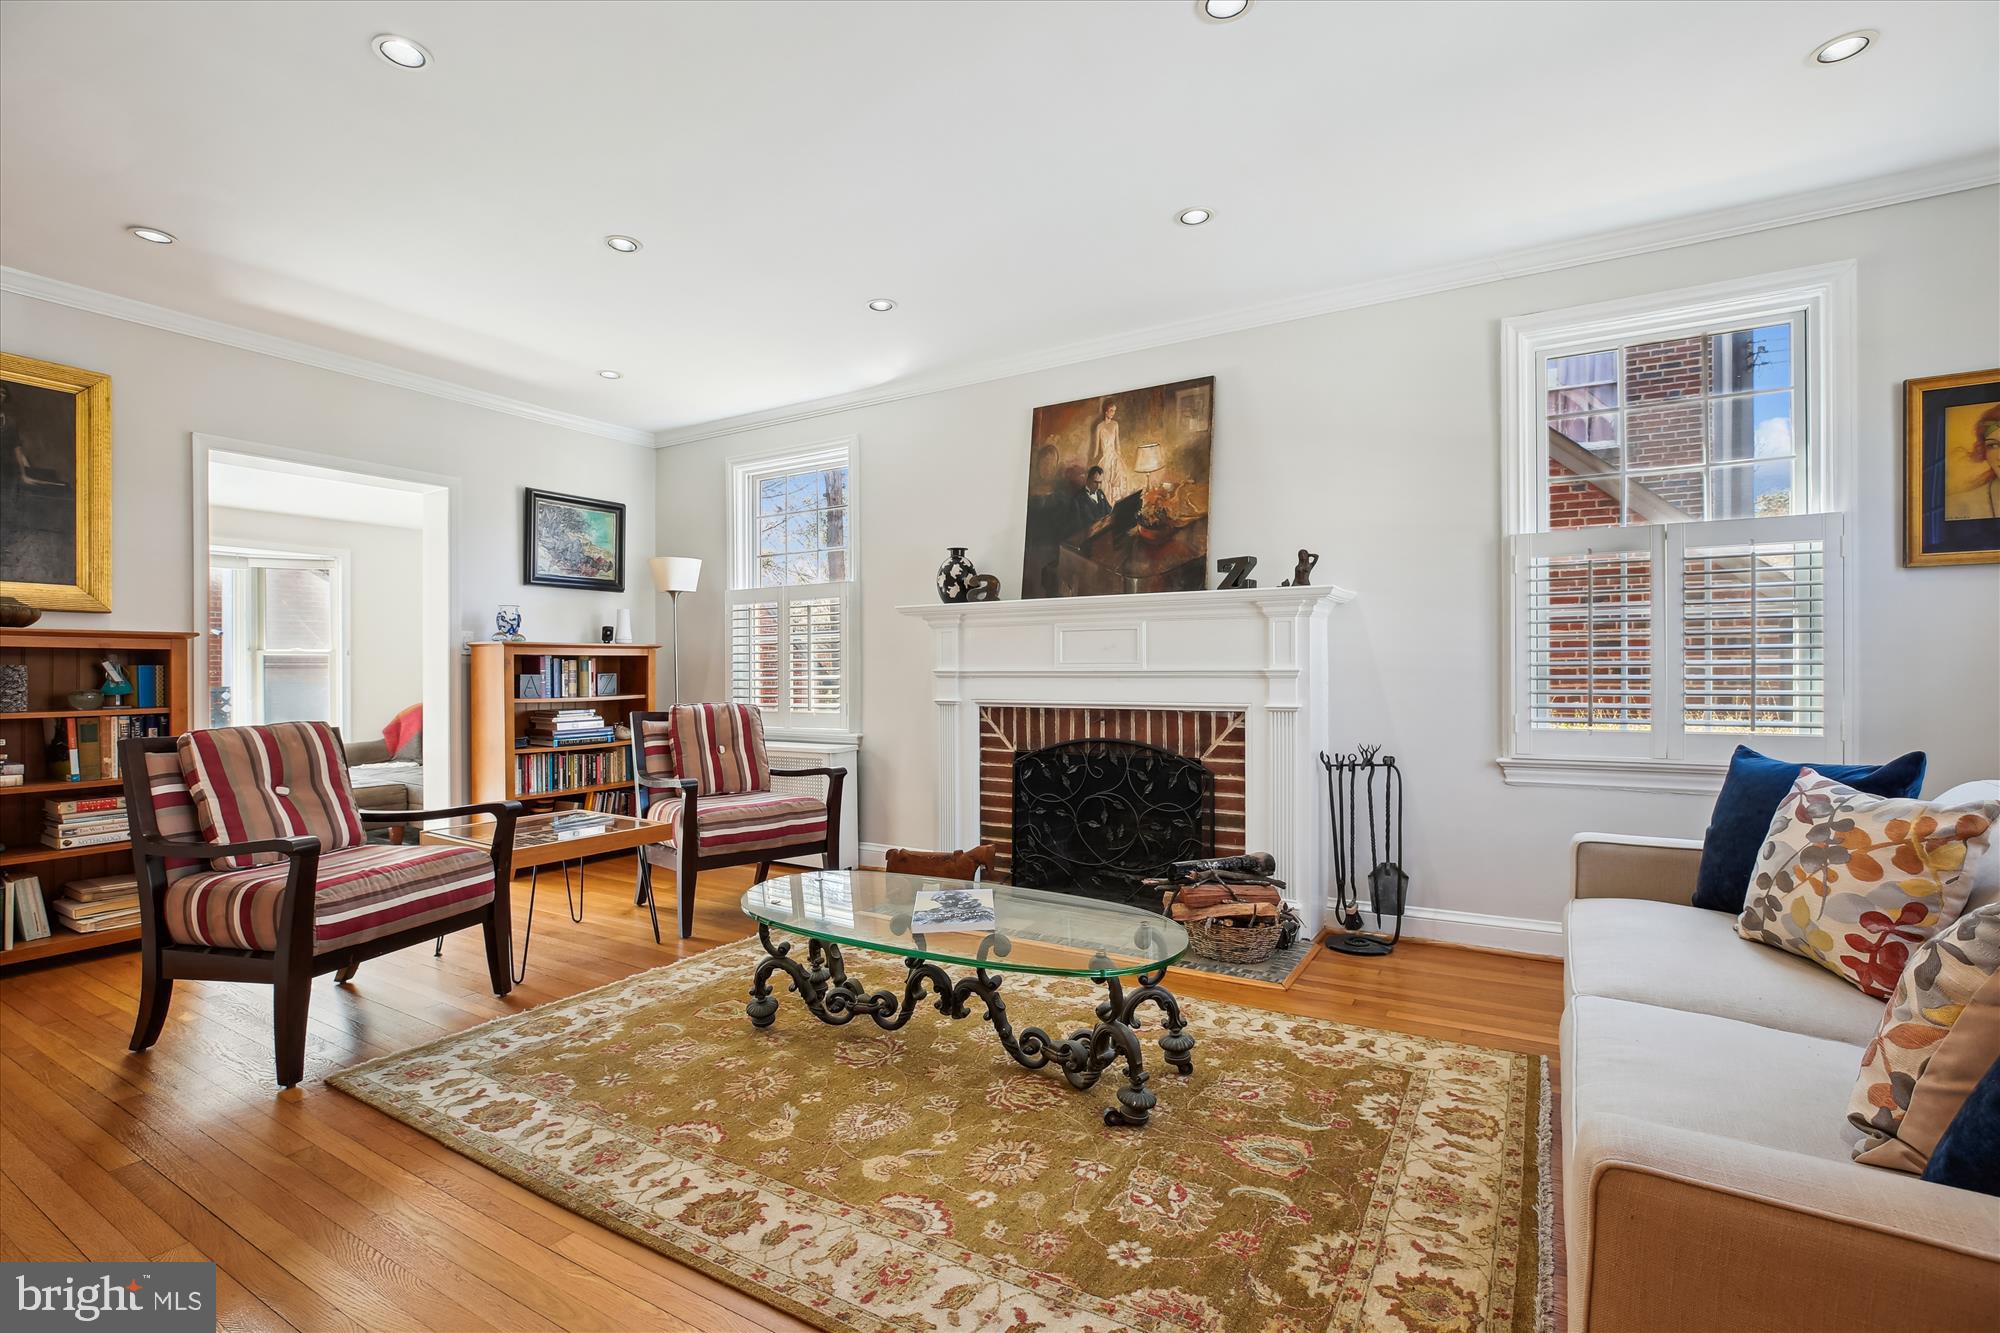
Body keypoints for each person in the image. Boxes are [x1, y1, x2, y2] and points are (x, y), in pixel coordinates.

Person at [1090, 400, 1125, 501]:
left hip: (1114, 458)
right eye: (1111, 410)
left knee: (1116, 481)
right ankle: (1106, 506)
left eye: (1114, 411)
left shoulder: (1115, 424)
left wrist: (1119, 457)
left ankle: (1113, 505)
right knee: (1104, 482)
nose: (1113, 413)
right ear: (1106, 411)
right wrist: (1093, 461)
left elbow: (1117, 443)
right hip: (1105, 458)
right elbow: (1096, 448)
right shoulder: (1099, 427)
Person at [1073, 465, 1112, 530]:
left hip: (1104, 531)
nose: (1098, 486)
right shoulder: (1077, 499)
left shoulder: (1100, 493)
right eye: (1095, 482)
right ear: (1088, 480)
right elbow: (1078, 526)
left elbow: (1109, 510)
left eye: (1100, 482)